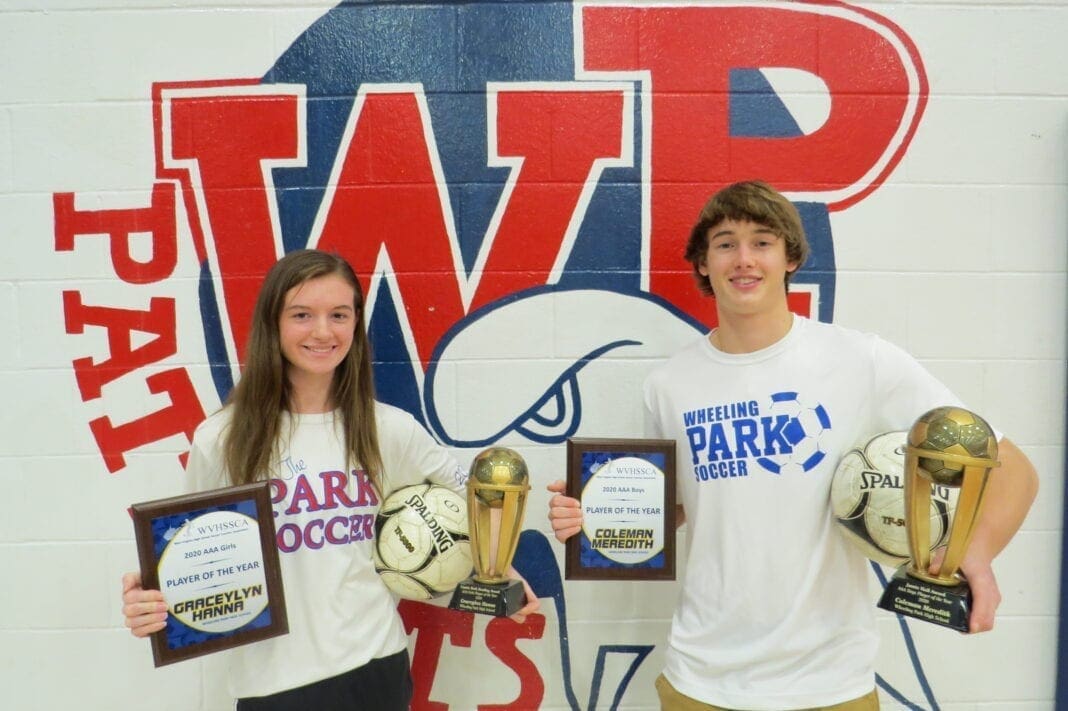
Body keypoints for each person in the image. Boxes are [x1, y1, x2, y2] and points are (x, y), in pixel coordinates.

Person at [546, 181, 1038, 711]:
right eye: (725, 243)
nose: (744, 259)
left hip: (829, 683)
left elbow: (1011, 467)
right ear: (704, 265)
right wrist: (595, 514)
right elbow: (680, 509)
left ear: (790, 259)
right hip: (701, 678)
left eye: (763, 242)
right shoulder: (669, 384)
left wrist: (976, 553)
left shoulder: (861, 360)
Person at [121, 249, 538, 710]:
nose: (323, 331)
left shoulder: (390, 430)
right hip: (271, 682)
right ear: (273, 324)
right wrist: (155, 596)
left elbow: (475, 508)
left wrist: (503, 577)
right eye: (302, 315)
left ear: (355, 326)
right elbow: (193, 553)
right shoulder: (223, 439)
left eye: (339, 315)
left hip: (376, 666)